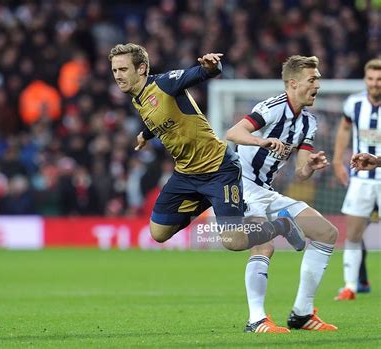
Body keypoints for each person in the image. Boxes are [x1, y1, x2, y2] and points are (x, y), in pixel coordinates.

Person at [108, 43, 305, 253]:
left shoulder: (164, 84)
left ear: (141, 69)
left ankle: (281, 225)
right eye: (114, 70)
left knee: (234, 242)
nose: (118, 76)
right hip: (186, 174)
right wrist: (145, 135)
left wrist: (211, 67)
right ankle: (213, 201)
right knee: (158, 233)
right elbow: (160, 117)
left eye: (123, 69)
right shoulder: (139, 99)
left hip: (219, 169)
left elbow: (200, 73)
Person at [226, 55, 338, 333]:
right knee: (264, 245)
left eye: (318, 79)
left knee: (327, 234)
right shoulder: (272, 108)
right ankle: (256, 320)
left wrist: (311, 166)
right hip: (243, 186)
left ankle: (301, 313)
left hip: (267, 190)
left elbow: (300, 172)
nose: (318, 85)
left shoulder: (309, 123)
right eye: (312, 80)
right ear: (293, 83)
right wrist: (261, 139)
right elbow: (233, 132)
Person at [332, 58, 381, 301]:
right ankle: (350, 285)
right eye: (371, 79)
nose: (375, 84)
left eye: (379, 79)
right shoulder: (354, 103)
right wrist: (337, 160)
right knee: (352, 233)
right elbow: (343, 130)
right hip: (361, 178)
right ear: (365, 79)